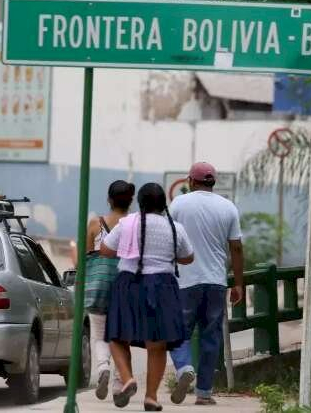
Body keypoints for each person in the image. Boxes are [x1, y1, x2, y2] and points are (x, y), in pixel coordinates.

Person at [100, 183, 194, 411]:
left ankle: (127, 378)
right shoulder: (175, 228)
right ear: (164, 204)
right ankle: (151, 397)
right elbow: (188, 257)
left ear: (139, 203)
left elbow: (105, 249)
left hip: (129, 283)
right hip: (163, 286)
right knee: (157, 345)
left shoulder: (127, 223)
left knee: (117, 336)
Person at [168, 162, 245, 406]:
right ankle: (204, 392)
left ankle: (184, 368)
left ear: (191, 181)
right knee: (211, 337)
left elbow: (168, 239)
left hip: (185, 282)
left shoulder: (179, 204)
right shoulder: (228, 208)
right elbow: (236, 248)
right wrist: (239, 284)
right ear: (213, 182)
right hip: (216, 282)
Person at [85, 180, 135, 400]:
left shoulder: (95, 224)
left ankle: (103, 367)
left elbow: (87, 259)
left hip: (100, 285)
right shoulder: (134, 224)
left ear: (109, 199)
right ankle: (118, 384)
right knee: (122, 337)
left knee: (99, 335)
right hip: (126, 284)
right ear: (131, 201)